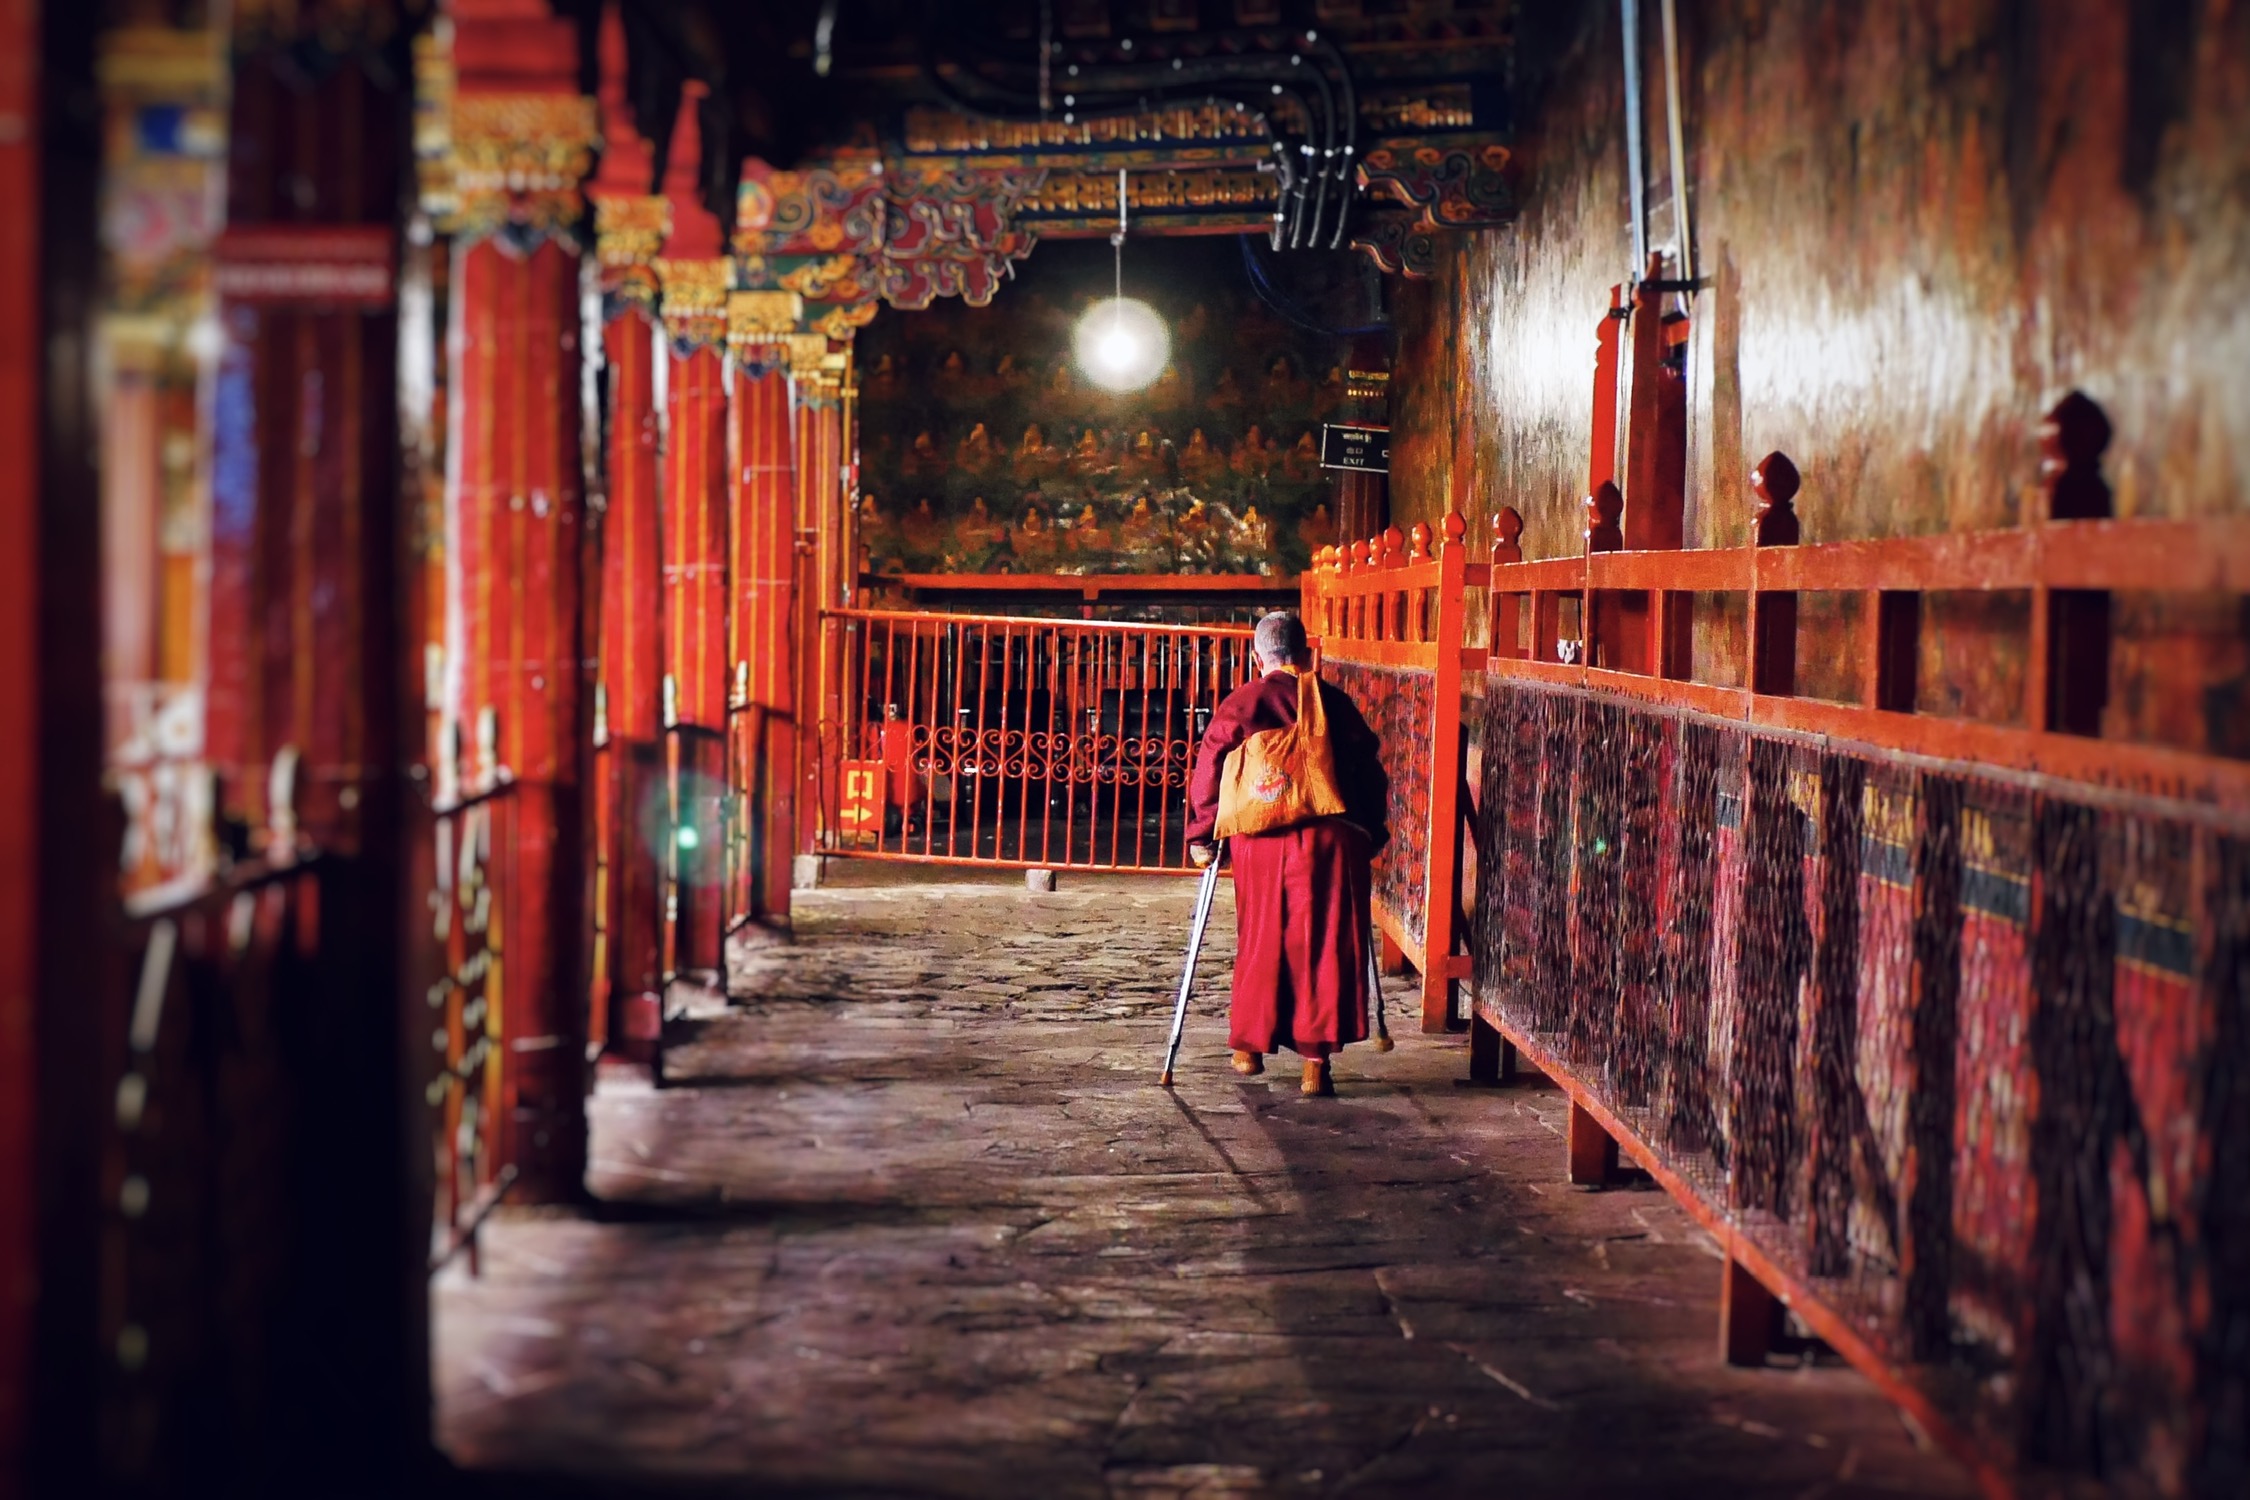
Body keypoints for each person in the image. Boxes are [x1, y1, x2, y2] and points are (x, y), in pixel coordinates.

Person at [1185, 611, 1388, 1096]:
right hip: (1332, 841)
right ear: (1306, 654)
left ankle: (1248, 1047)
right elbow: (1369, 770)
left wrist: (1202, 833)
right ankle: (1315, 1064)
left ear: (1259, 658)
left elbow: (1211, 764)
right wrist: (1371, 833)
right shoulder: (1333, 702)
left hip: (1262, 839)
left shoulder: (1244, 701)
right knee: (1323, 944)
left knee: (1263, 935)